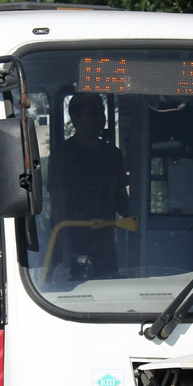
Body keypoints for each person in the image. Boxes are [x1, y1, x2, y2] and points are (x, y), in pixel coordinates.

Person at [49, 93, 129, 277]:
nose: (100, 118)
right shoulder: (62, 156)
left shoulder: (112, 154)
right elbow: (58, 206)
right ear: (75, 117)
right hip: (72, 243)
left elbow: (121, 201)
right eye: (93, 113)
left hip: (106, 244)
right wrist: (66, 252)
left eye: (102, 112)